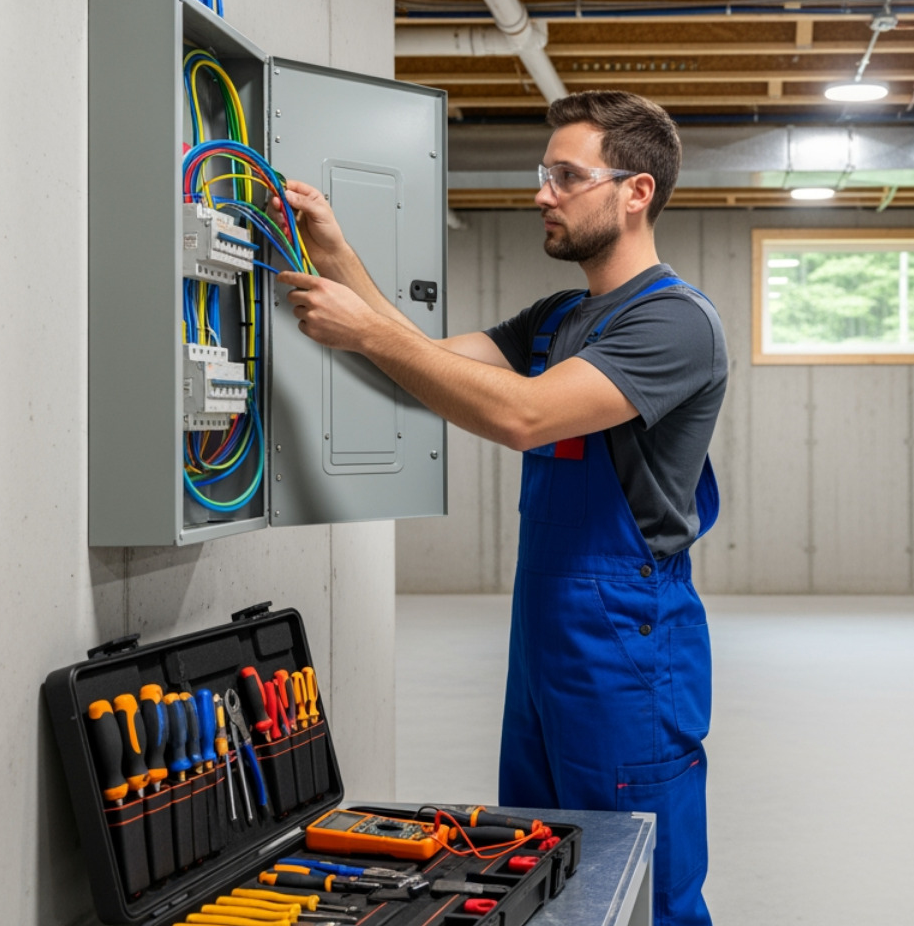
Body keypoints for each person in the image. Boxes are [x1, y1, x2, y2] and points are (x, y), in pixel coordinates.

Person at [272, 91, 726, 926]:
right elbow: (423, 362)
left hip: (627, 638)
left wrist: (369, 334)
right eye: (541, 173)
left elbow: (524, 415)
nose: (541, 193)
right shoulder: (560, 317)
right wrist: (332, 250)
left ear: (636, 192)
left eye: (565, 175)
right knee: (538, 864)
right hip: (548, 627)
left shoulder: (673, 323)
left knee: (644, 882)